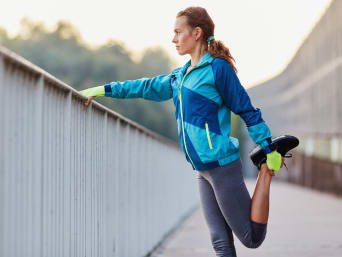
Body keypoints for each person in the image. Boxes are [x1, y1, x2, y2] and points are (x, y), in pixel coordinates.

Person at [80, 6, 284, 257]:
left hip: (222, 166)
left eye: (178, 32)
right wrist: (102, 89)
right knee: (220, 241)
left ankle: (265, 171)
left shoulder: (218, 69)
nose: (173, 39)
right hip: (201, 169)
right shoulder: (179, 77)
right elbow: (144, 87)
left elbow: (246, 109)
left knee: (251, 239)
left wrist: (268, 146)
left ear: (197, 33)